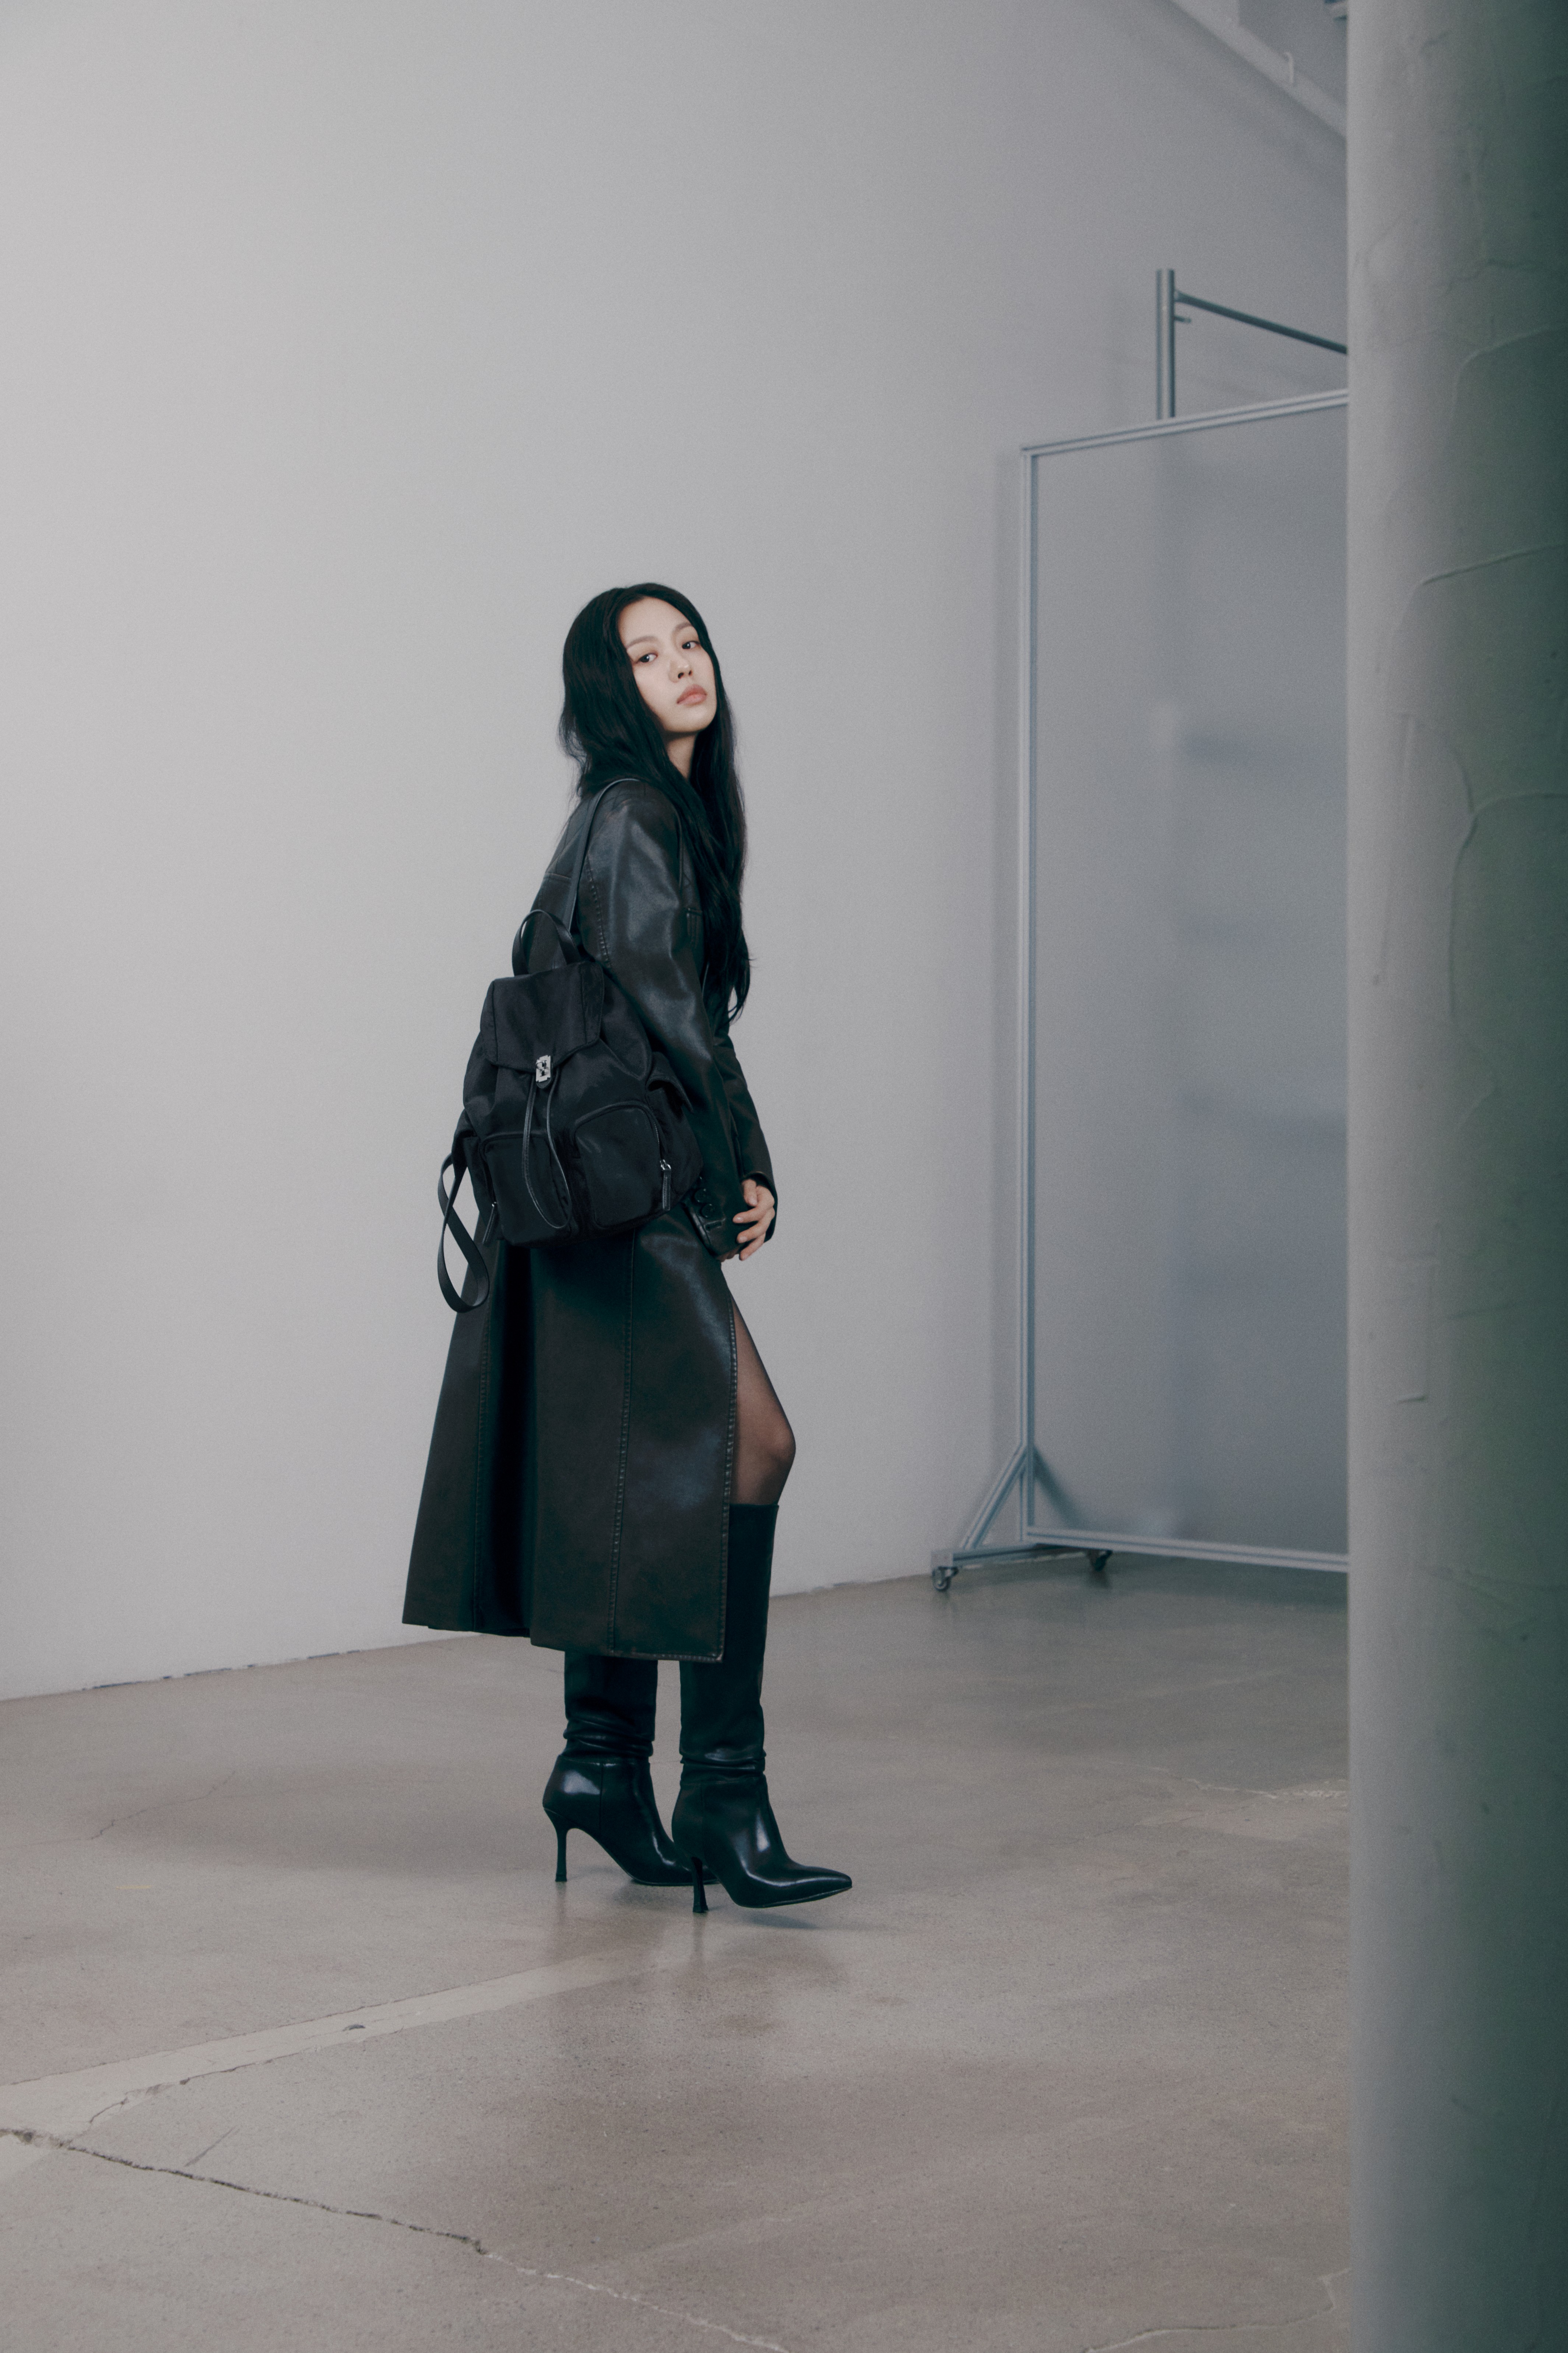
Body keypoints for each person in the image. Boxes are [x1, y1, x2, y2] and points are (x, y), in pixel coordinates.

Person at [404, 583, 850, 1913]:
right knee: (750, 1444)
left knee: (621, 1461)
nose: (681, 666)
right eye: (646, 656)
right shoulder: (640, 814)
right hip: (626, 1188)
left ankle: (602, 1765)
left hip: (582, 1193)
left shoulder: (628, 815)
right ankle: (722, 1790)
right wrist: (744, 1159)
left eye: (689, 642)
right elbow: (672, 1015)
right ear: (612, 691)